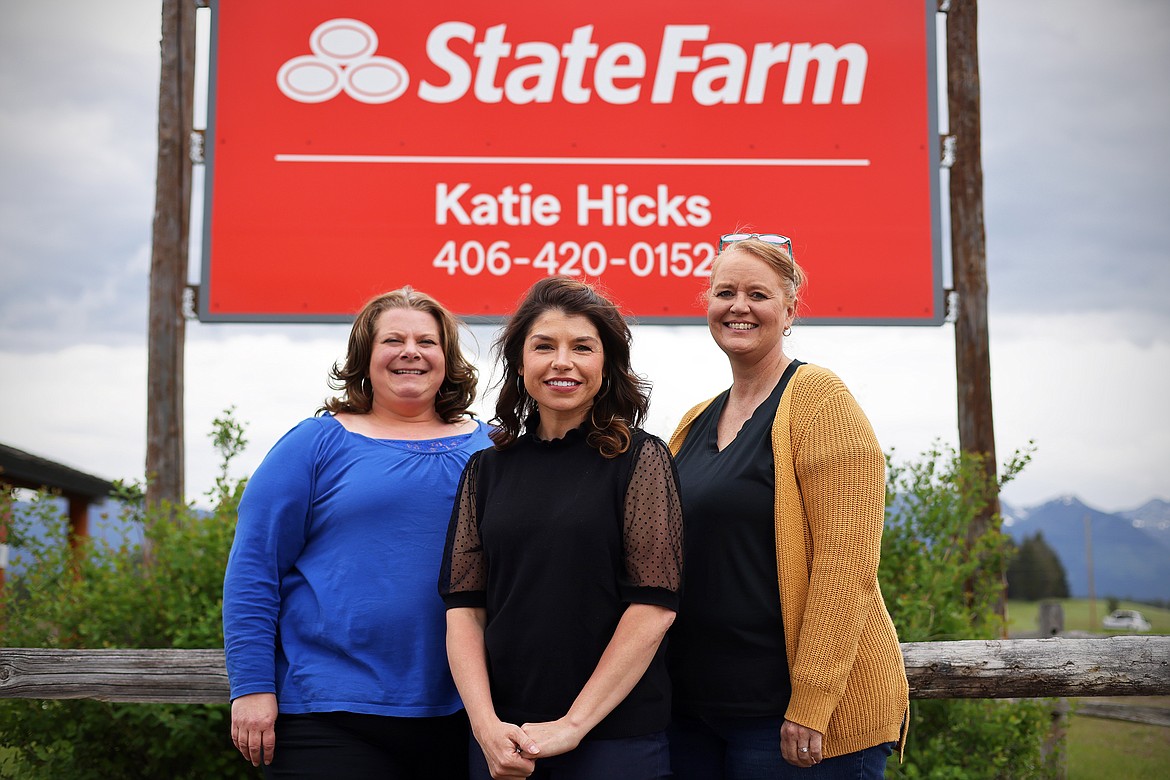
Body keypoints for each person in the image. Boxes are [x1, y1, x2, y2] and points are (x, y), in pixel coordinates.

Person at [665, 233, 909, 779]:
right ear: (707, 303)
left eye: (759, 294)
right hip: (695, 713)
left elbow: (846, 567)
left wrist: (813, 703)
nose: (739, 307)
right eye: (725, 292)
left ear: (790, 309)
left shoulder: (821, 401)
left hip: (791, 723)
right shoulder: (693, 420)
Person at [222, 287, 493, 778]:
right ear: (365, 357)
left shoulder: (493, 449)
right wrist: (252, 686)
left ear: (447, 359)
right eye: (393, 339)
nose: (411, 351)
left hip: (471, 716)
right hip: (329, 713)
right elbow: (253, 570)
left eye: (427, 342)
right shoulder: (313, 443)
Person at [439, 276, 683, 780]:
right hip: (502, 743)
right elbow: (464, 610)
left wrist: (573, 725)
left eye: (582, 347)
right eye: (543, 345)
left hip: (613, 742)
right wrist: (485, 727)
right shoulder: (485, 470)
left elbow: (654, 606)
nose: (562, 361)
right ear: (520, 362)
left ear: (607, 364)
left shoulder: (642, 459)